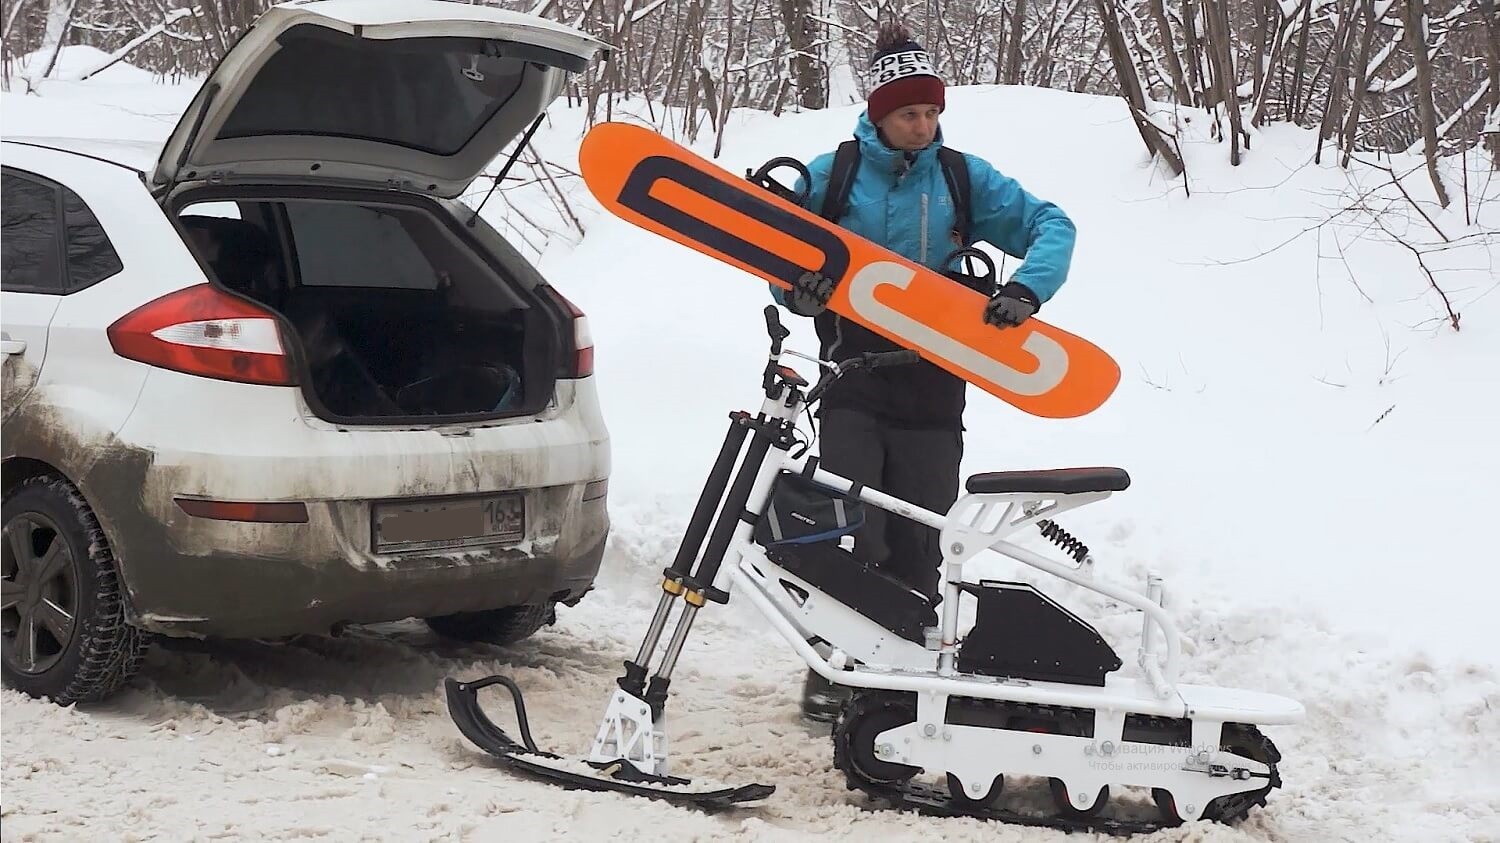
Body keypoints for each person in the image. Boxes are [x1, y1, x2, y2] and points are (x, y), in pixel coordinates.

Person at [772, 21, 1078, 721]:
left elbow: (1052, 224)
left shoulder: (963, 177)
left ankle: (900, 662)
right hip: (851, 373)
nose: (923, 123)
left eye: (932, 110)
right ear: (881, 113)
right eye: (910, 112)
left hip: (936, 377)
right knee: (855, 524)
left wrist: (1026, 289)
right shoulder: (835, 173)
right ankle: (832, 662)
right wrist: (796, 289)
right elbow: (779, 249)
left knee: (921, 531)